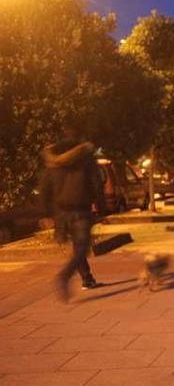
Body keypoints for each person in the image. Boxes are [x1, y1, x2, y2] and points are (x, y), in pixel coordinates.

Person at [39, 125, 106, 302]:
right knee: (82, 247)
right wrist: (101, 208)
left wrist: (46, 213)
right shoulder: (86, 159)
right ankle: (65, 276)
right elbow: (96, 184)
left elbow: (44, 187)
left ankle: (87, 278)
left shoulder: (52, 160)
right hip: (81, 209)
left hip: (60, 212)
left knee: (78, 247)